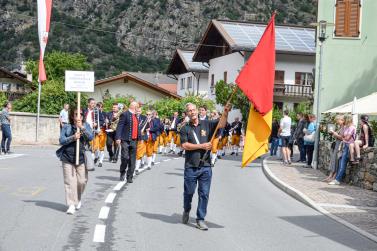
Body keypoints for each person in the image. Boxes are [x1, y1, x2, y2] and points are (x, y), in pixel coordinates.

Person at [180, 102, 229, 230]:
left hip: (206, 166)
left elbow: (222, 124)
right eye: (189, 111)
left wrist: (226, 112)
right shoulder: (185, 128)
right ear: (187, 113)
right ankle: (186, 209)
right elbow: (184, 145)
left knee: (204, 194)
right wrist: (202, 146)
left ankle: (200, 219)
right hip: (191, 166)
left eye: (194, 110)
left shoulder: (207, 123)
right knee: (189, 193)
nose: (192, 112)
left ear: (197, 111)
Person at [57, 107, 93, 214]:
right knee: (70, 182)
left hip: (81, 158)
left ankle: (78, 198)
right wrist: (73, 137)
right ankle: (71, 204)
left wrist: (81, 127)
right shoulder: (67, 127)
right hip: (68, 158)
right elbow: (62, 140)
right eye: (76, 114)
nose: (79, 116)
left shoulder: (86, 125)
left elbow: (90, 137)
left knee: (82, 181)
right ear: (72, 116)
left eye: (81, 114)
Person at [115, 101, 140, 182]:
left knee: (132, 160)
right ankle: (122, 172)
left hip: (134, 140)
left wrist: (140, 138)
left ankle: (130, 176)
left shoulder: (136, 116)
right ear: (133, 106)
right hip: (125, 140)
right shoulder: (125, 114)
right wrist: (118, 138)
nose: (138, 109)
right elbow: (120, 126)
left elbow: (137, 128)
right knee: (125, 157)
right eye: (137, 107)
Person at [329, 115, 355, 185]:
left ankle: (337, 180)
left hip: (347, 146)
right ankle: (336, 178)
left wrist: (337, 135)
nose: (343, 121)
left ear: (348, 120)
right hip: (344, 146)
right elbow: (344, 137)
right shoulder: (347, 127)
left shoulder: (352, 128)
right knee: (341, 163)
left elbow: (347, 138)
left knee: (342, 164)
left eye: (344, 120)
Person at [325, 115, 345, 182]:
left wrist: (335, 133)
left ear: (342, 120)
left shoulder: (344, 128)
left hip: (340, 145)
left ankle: (334, 176)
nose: (337, 122)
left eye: (337, 120)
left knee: (336, 160)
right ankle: (330, 175)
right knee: (333, 160)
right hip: (336, 144)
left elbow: (342, 138)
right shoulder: (340, 127)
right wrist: (333, 133)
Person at [92, 102, 107, 167]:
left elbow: (108, 121)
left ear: (102, 107)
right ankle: (96, 156)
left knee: (102, 147)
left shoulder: (105, 114)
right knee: (95, 147)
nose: (99, 108)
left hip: (103, 131)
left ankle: (100, 161)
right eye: (98, 106)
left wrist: (107, 122)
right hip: (96, 131)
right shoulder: (94, 113)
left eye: (101, 106)